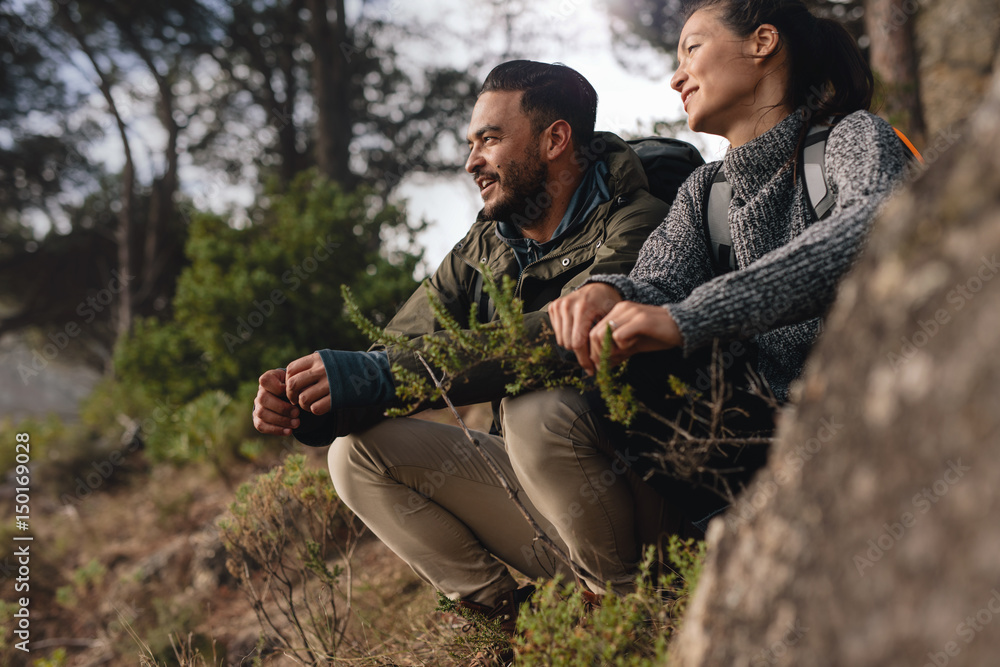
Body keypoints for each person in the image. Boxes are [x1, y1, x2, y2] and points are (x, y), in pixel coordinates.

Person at [252, 60, 684, 642]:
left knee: (538, 405)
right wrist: (316, 400)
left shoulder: (641, 222)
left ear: (556, 139)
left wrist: (376, 375)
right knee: (354, 456)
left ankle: (632, 616)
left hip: (656, 512)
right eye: (470, 143)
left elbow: (554, 345)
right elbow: (396, 352)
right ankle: (517, 625)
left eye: (490, 139)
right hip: (556, 510)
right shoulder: (485, 246)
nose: (471, 161)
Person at [549, 0, 907, 515]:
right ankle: (723, 527)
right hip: (768, 432)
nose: (677, 78)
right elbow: (657, 282)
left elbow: (871, 229)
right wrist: (609, 292)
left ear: (763, 43)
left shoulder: (850, 135)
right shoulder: (703, 191)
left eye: (691, 48)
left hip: (878, 396)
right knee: (619, 350)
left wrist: (691, 317)